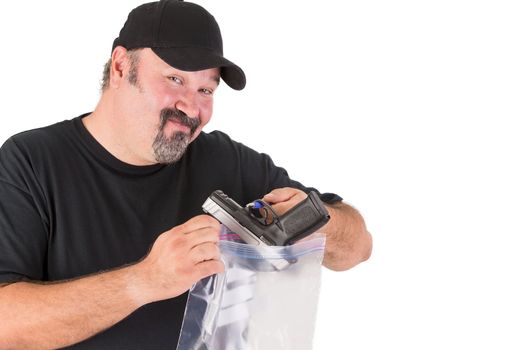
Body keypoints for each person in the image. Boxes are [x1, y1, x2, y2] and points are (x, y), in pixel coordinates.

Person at [0, 0, 372, 348]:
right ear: (119, 68)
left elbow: (359, 247)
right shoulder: (31, 161)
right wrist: (145, 280)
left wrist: (311, 223)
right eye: (175, 79)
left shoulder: (225, 160)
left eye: (205, 89)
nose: (190, 107)